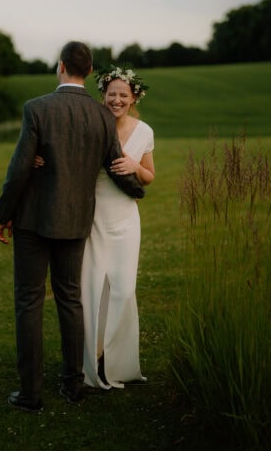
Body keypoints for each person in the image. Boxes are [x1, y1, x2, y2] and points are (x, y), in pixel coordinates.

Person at [0, 42, 144, 413]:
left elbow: (18, 170)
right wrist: (137, 189)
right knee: (70, 300)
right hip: (77, 221)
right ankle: (73, 386)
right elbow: (115, 165)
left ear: (61, 66)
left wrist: (2, 215)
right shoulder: (101, 116)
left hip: (33, 220)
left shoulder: (37, 108)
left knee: (28, 303)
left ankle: (30, 394)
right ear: (90, 72)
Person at [81, 65, 155, 389]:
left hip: (126, 219)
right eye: (112, 94)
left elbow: (150, 176)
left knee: (123, 290)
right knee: (93, 288)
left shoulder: (144, 131)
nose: (117, 100)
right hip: (94, 217)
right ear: (104, 95)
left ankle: (119, 363)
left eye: (123, 95)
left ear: (133, 97)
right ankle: (93, 359)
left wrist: (134, 165)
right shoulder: (92, 124)